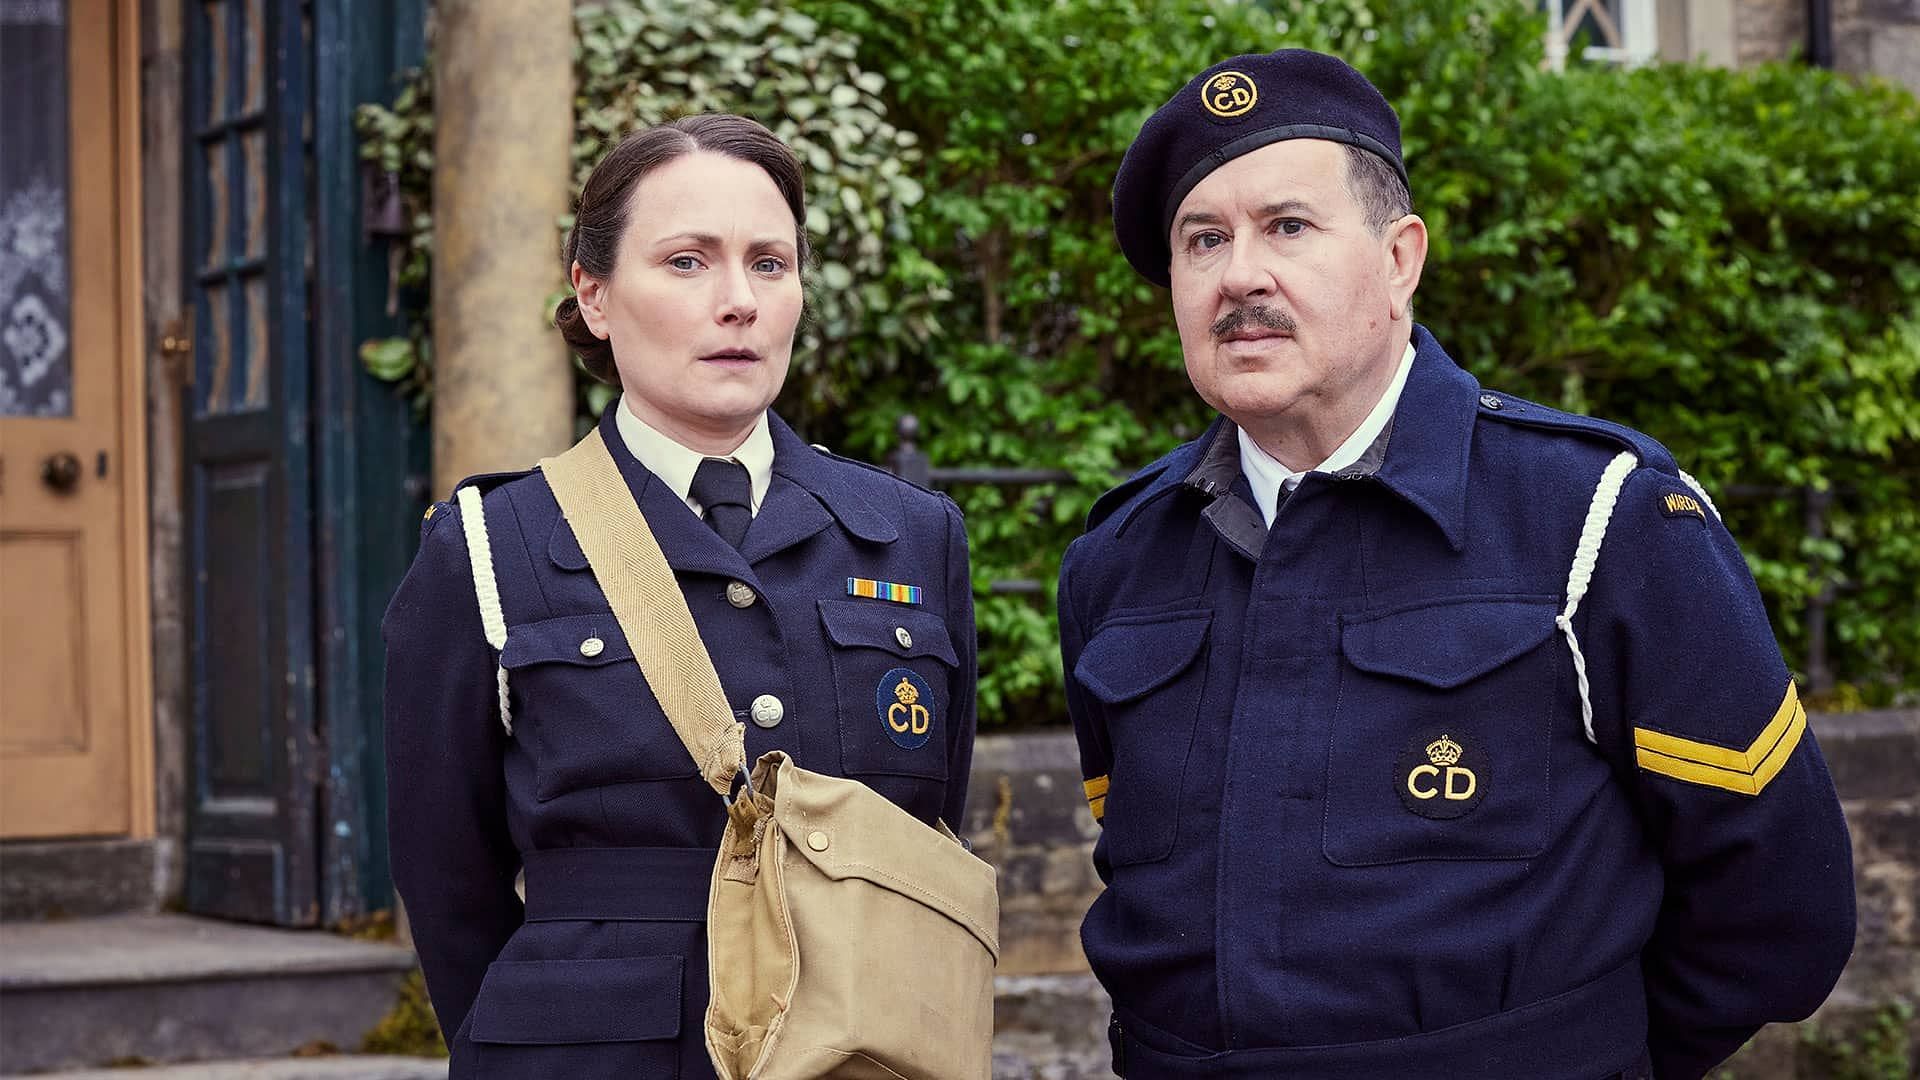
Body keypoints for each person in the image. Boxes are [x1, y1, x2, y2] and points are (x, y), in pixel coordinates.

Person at [1058, 49, 1855, 1080]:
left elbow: (1781, 905)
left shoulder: (1597, 517)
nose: (1240, 274)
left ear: (1400, 260)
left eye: (1288, 227)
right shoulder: (1118, 561)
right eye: (1201, 240)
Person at [384, 114, 977, 1078]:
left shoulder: (910, 534)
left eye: (770, 263)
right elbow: (448, 880)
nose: (738, 301)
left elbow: (925, 827)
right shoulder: (490, 547)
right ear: (597, 294)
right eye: (688, 262)